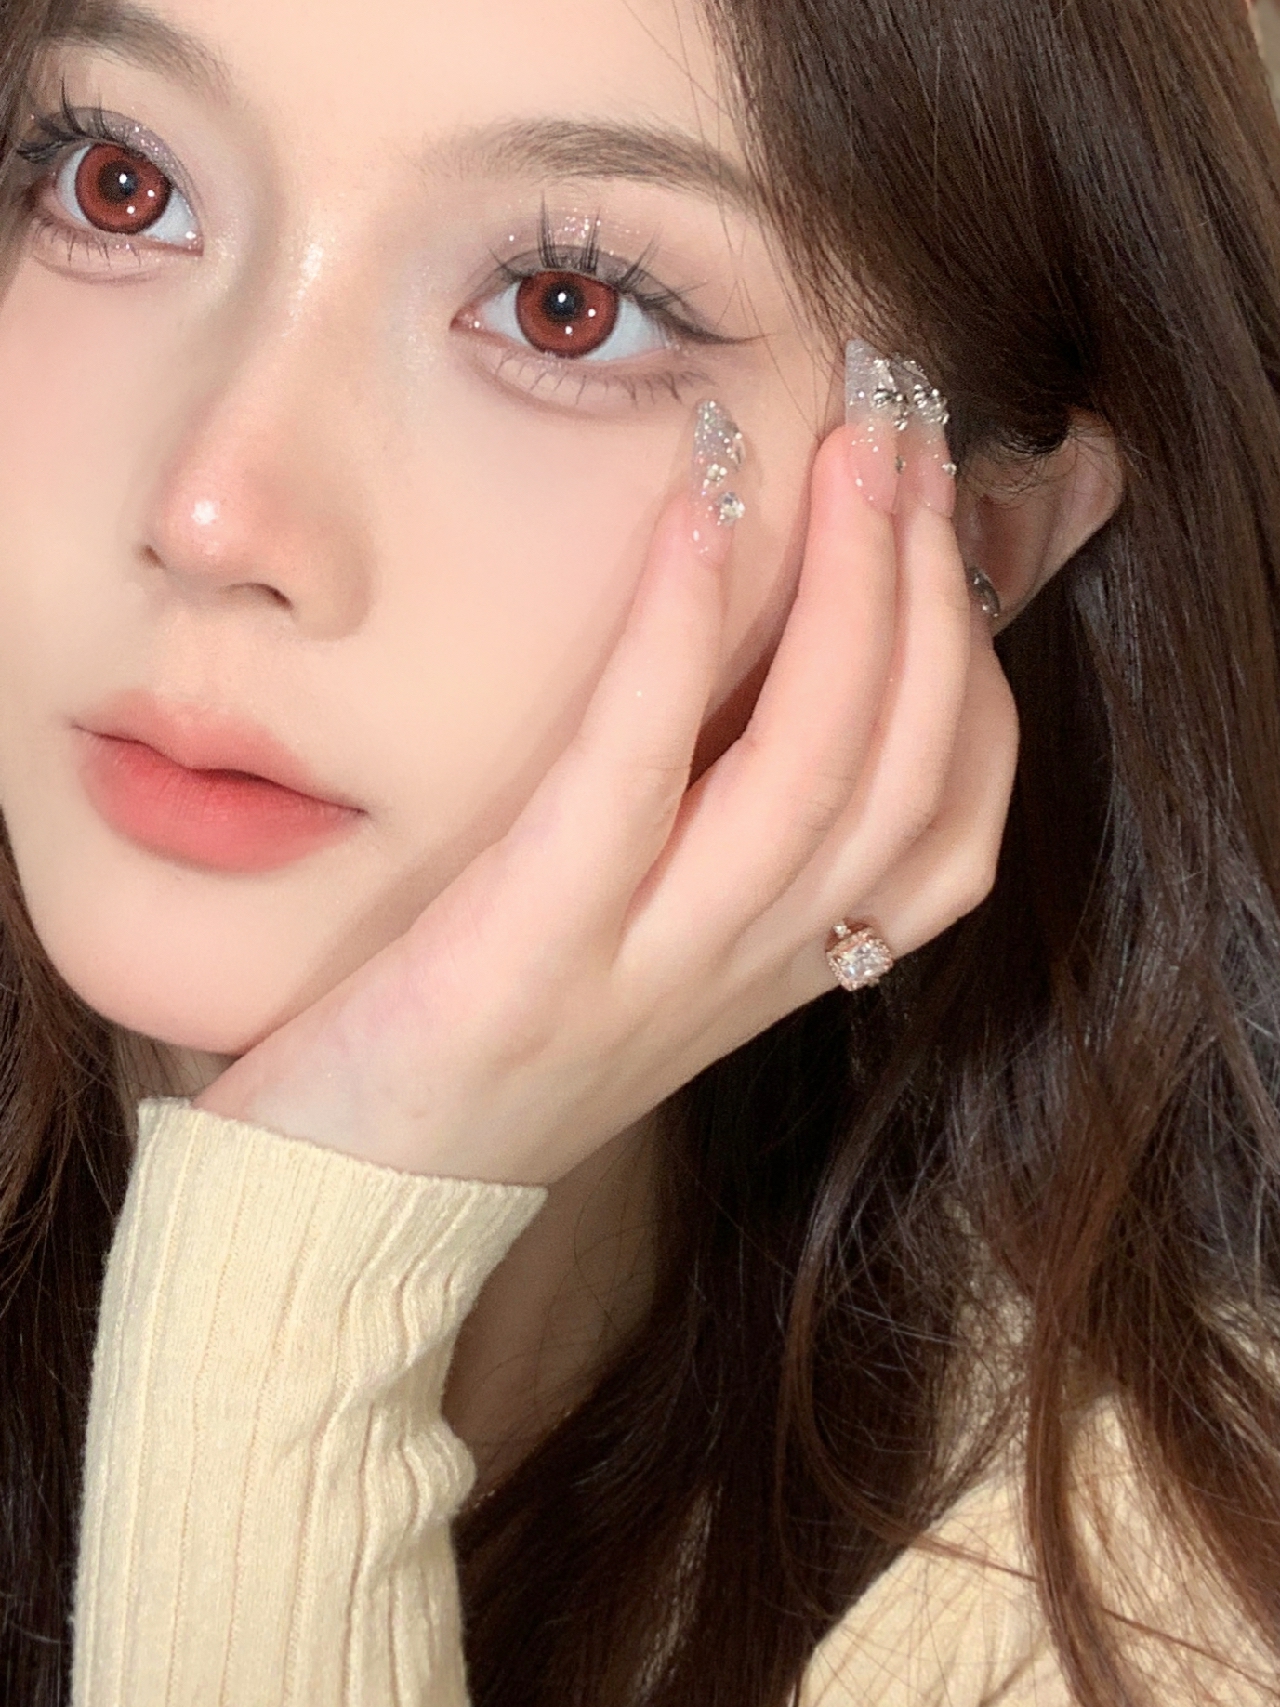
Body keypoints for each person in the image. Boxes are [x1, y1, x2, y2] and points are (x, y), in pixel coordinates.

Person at [0, 0, 1276, 1701]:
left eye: (566, 305)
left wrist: (290, 1301)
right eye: (121, 184)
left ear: (974, 538)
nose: (213, 513)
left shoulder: (1133, 1621)